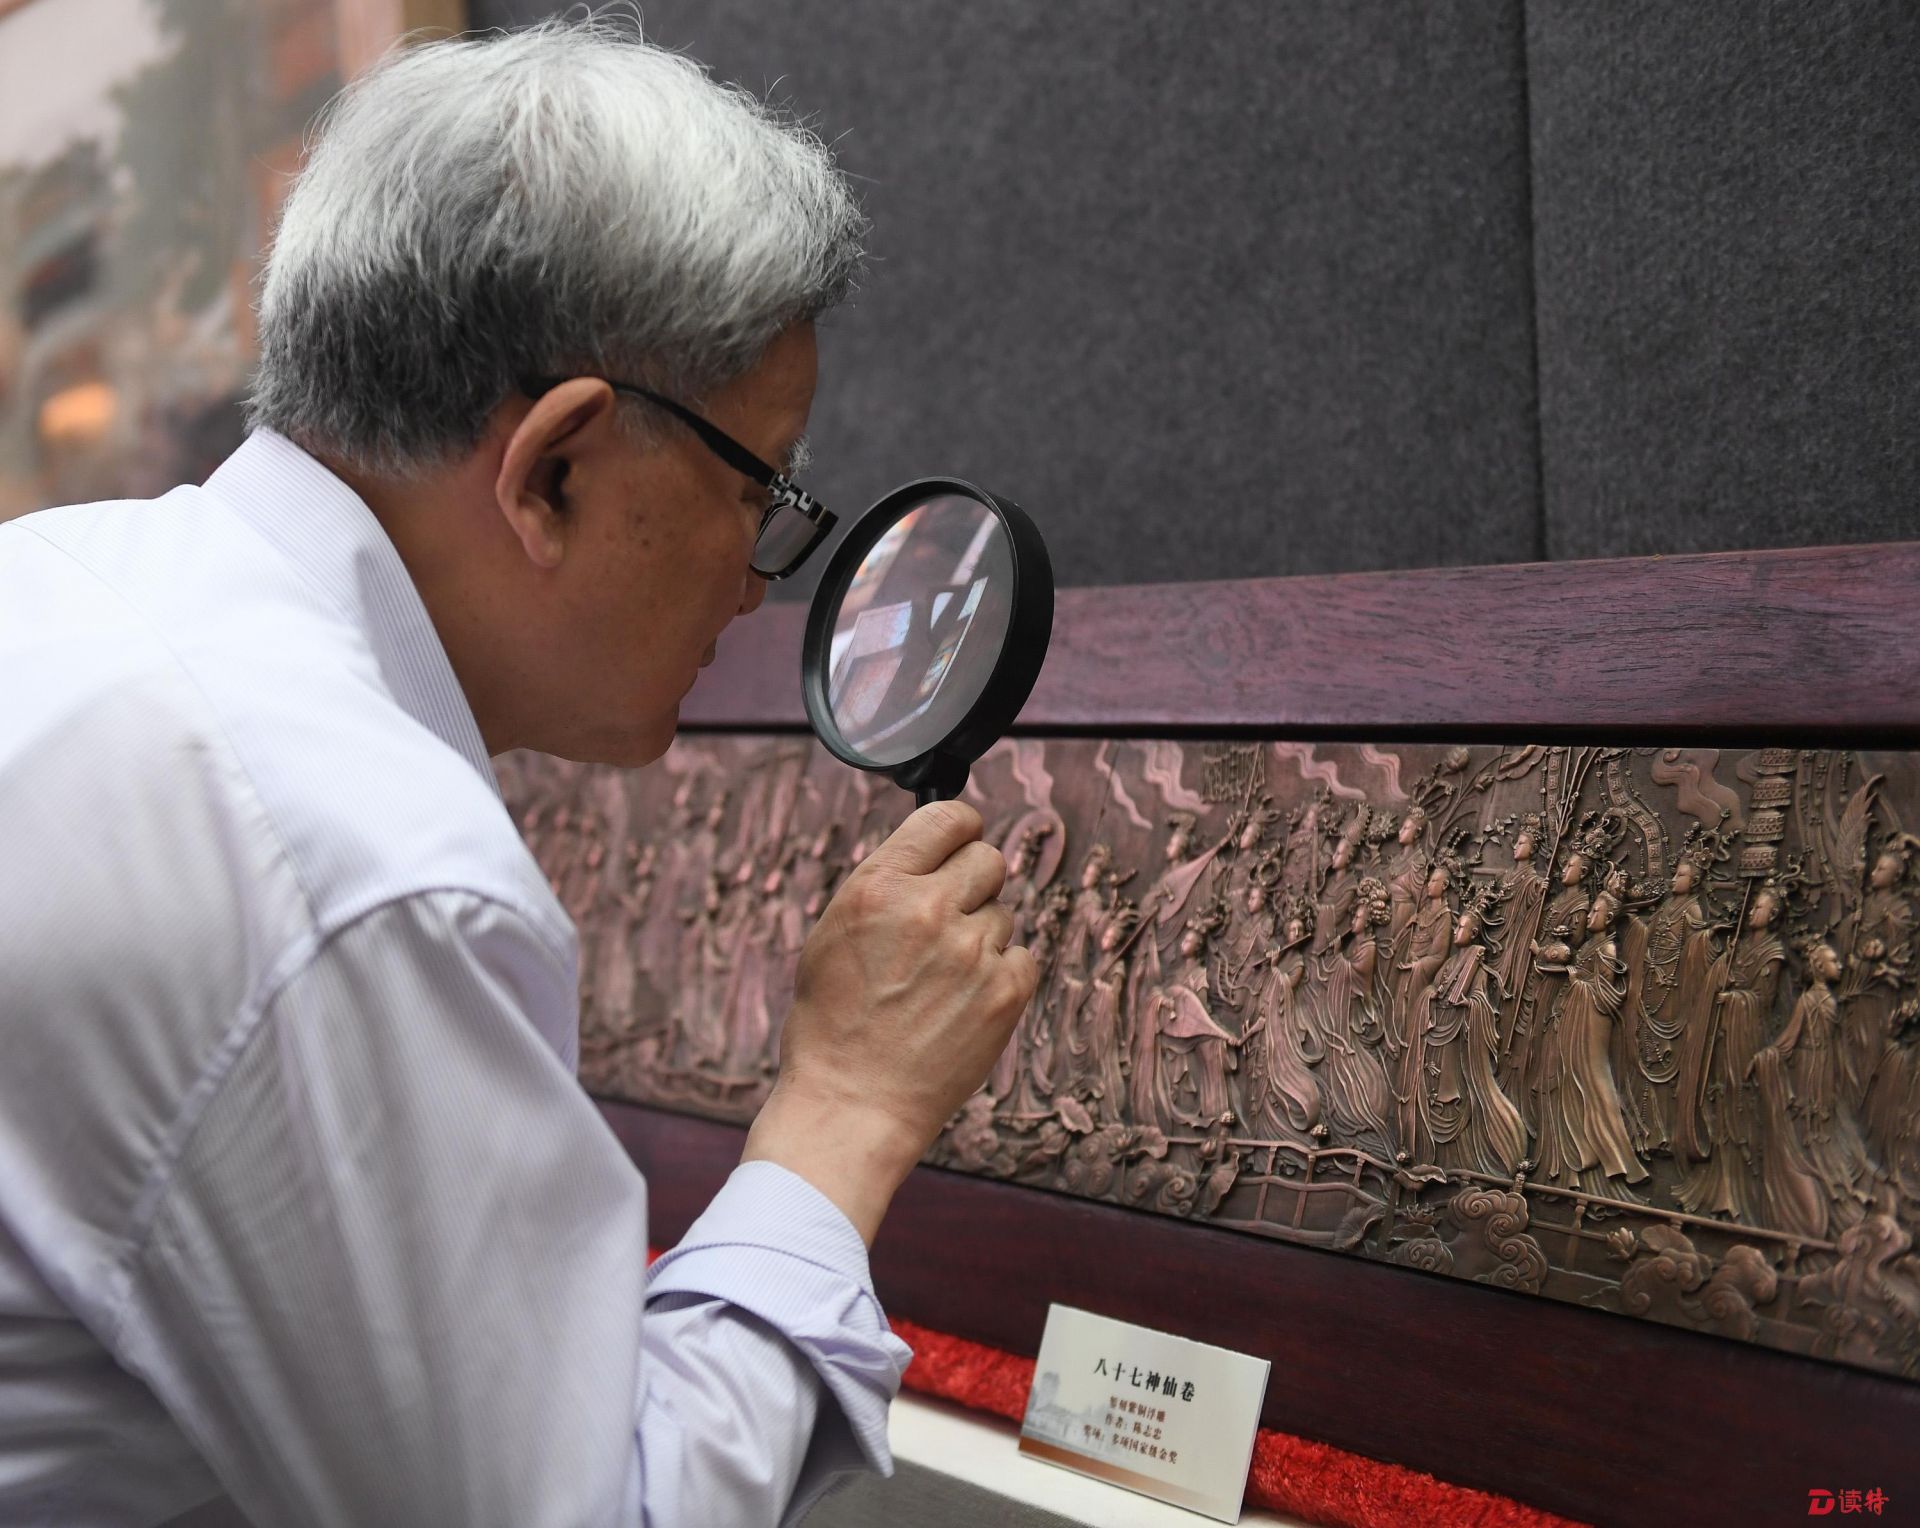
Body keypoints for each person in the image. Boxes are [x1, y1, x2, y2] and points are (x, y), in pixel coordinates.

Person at [0, 21, 1036, 1527]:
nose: (759, 584)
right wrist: (848, 1107)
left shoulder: (62, 578)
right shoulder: (353, 866)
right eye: (765, 486)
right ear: (555, 468)